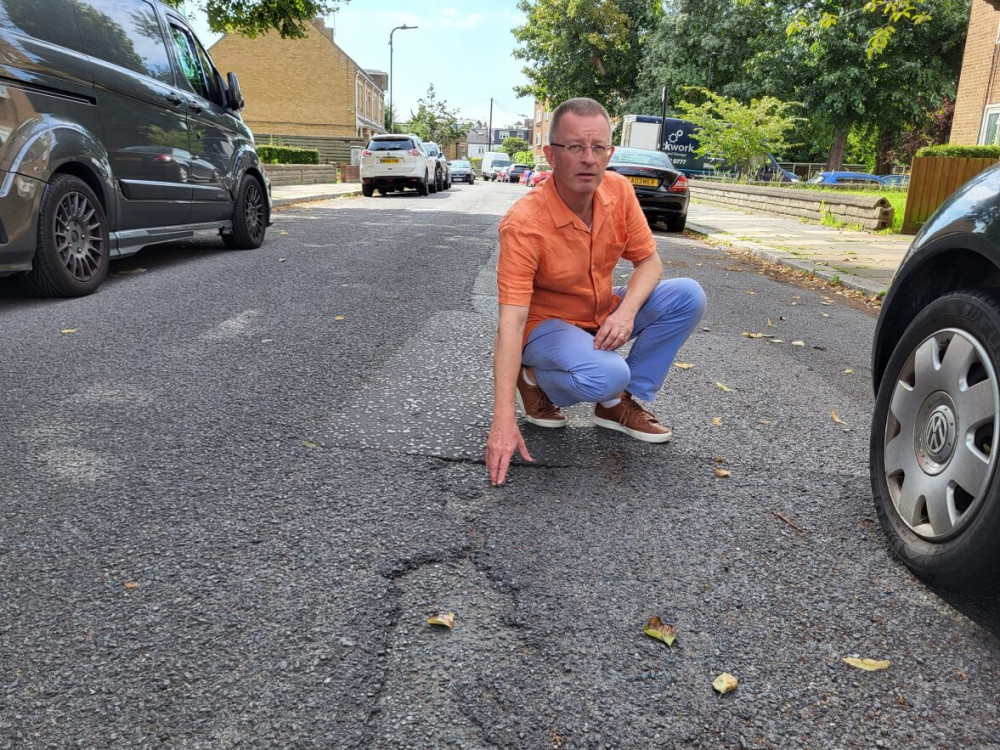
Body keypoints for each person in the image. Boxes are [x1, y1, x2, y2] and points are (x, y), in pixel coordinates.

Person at [485, 97, 707, 486]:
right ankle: (532, 377)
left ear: (610, 152)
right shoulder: (524, 224)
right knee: (607, 372)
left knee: (687, 295)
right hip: (543, 326)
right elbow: (511, 321)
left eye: (598, 147)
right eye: (574, 147)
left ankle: (616, 403)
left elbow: (649, 263)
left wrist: (624, 313)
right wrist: (502, 420)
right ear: (551, 155)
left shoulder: (619, 191)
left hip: (600, 310)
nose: (588, 158)